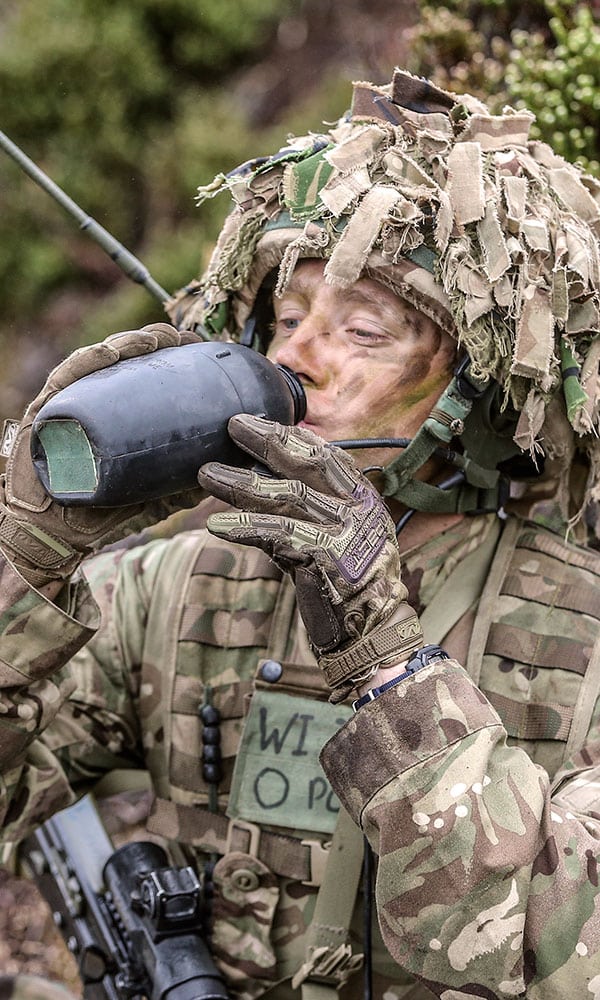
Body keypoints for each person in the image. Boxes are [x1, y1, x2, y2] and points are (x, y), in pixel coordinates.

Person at [0, 67, 599, 1000]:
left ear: (475, 402)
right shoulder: (177, 590)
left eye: (362, 331)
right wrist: (28, 560)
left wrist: (389, 662)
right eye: (286, 316)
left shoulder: (583, 643)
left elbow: (556, 959)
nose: (292, 358)